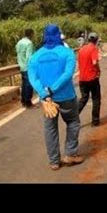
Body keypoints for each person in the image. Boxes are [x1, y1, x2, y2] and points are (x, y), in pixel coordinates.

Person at [28, 24, 84, 171]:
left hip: (47, 100)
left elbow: (33, 78)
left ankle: (54, 161)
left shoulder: (35, 57)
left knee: (50, 129)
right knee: (73, 122)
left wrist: (44, 93)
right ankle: (70, 154)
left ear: (44, 36)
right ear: (59, 35)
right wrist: (53, 89)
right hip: (66, 97)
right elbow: (67, 74)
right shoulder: (67, 53)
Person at [77, 32, 101, 126]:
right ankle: (95, 121)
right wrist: (99, 70)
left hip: (82, 78)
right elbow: (94, 62)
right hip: (92, 78)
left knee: (83, 98)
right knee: (96, 99)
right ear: (96, 40)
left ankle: (74, 117)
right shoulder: (93, 48)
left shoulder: (81, 49)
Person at [15, 28, 35, 108]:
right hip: (27, 67)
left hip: (21, 66)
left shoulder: (19, 42)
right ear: (31, 34)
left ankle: (23, 101)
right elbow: (29, 57)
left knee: (24, 84)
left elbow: (18, 53)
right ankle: (28, 102)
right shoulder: (29, 43)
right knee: (29, 85)